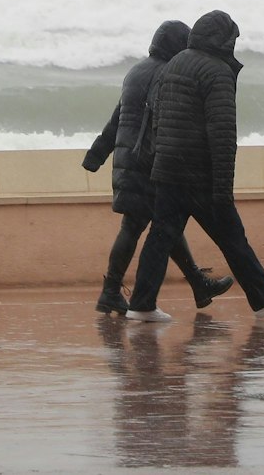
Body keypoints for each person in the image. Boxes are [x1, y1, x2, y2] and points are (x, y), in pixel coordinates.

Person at [125, 9, 264, 322]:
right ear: (224, 41)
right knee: (232, 237)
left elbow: (156, 120)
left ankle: (141, 304)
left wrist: (160, 163)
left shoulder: (173, 64)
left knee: (160, 237)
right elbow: (222, 134)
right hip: (199, 174)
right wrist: (223, 188)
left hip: (167, 170)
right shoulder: (217, 72)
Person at [82, 19, 234, 315]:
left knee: (160, 225)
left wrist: (96, 154)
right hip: (150, 161)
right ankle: (111, 291)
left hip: (127, 162)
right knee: (150, 225)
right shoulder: (167, 73)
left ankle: (196, 284)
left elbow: (118, 119)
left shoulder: (135, 72)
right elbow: (161, 122)